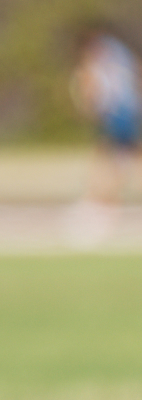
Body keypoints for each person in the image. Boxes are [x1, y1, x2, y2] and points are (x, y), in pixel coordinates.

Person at [67, 25, 141, 246]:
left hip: (118, 114)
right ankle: (102, 205)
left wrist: (90, 104)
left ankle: (100, 208)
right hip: (129, 112)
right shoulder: (120, 52)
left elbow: (93, 89)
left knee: (107, 160)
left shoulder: (100, 54)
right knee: (118, 160)